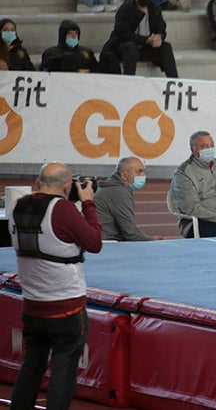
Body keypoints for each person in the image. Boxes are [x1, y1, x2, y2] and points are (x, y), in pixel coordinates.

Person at [8, 162, 102, 410]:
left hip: (33, 305)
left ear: (37, 183)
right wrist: (88, 203)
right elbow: (94, 242)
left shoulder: (18, 207)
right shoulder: (62, 209)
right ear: (68, 185)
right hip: (66, 306)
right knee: (63, 371)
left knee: (31, 367)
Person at [100, 0, 179, 77]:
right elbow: (123, 33)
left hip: (146, 48)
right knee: (131, 47)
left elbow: (161, 27)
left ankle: (174, 81)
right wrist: (146, 40)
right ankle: (130, 80)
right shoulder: (125, 9)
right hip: (124, 46)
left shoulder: (154, 9)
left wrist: (159, 37)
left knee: (166, 47)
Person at [94, 157, 163, 242]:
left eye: (143, 171)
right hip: (106, 243)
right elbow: (130, 232)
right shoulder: (119, 192)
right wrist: (151, 240)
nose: (143, 175)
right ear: (124, 175)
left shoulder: (111, 187)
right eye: (139, 172)